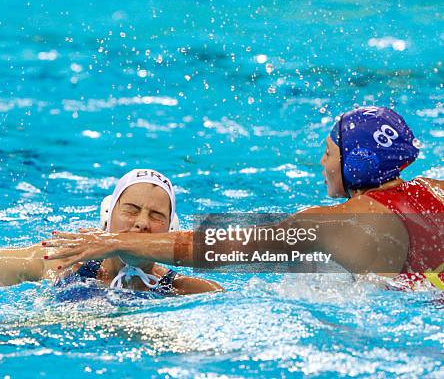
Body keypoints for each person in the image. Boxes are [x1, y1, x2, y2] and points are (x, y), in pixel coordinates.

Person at [44, 107, 443, 289]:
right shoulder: (434, 189)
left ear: (356, 163)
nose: (322, 162)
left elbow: (211, 246)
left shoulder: (340, 224)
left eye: (330, 152)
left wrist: (115, 241)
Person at [0, 118, 221, 295]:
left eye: (156, 216)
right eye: (131, 210)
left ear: (170, 231)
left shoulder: (181, 290)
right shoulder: (65, 261)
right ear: (108, 217)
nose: (142, 223)